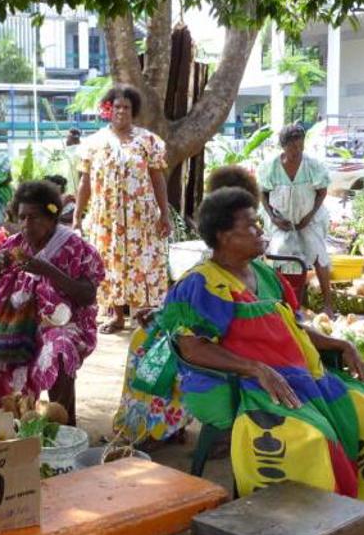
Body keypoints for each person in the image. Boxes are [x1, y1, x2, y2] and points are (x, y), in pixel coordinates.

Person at [166, 187, 364, 505]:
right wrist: (254, 368)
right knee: (312, 436)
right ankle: (309, 518)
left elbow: (294, 327)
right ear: (224, 236)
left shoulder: (265, 275)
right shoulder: (202, 285)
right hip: (232, 384)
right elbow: (193, 349)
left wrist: (337, 342)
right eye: (251, 225)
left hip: (294, 375)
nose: (260, 231)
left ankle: (355, 505)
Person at [111, 164, 262, 448]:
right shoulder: (228, 250)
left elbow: (207, 312)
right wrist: (161, 311)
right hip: (206, 328)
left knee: (157, 350)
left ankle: (152, 428)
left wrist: (168, 317)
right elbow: (191, 298)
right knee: (147, 339)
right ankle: (159, 427)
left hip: (221, 341)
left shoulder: (246, 257)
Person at [0, 180, 104, 424]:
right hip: (12, 320)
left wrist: (48, 270)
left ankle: (64, 425)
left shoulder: (76, 248)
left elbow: (87, 295)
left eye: (34, 218)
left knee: (58, 351)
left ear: (51, 218)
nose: (26, 224)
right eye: (22, 218)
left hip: (59, 322)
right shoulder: (12, 245)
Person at [74, 84, 171, 335]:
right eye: (117, 106)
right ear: (108, 109)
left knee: (141, 262)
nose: (121, 111)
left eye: (127, 107)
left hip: (141, 217)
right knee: (109, 262)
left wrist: (165, 213)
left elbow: (157, 178)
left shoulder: (148, 141)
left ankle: (140, 315)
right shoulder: (93, 143)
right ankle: (116, 316)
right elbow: (84, 182)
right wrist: (77, 216)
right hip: (106, 219)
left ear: (133, 110)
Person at [258, 124, 334, 315]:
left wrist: (309, 216)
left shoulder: (312, 165)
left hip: (310, 217)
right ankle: (282, 302)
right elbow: (263, 194)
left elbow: (322, 192)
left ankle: (328, 304)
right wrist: (273, 218)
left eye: (300, 147)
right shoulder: (271, 166)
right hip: (281, 220)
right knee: (279, 253)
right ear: (283, 146)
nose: (297, 152)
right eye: (292, 148)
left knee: (317, 254)